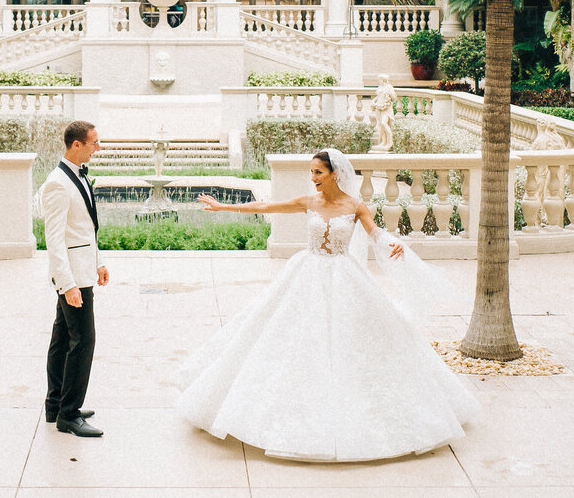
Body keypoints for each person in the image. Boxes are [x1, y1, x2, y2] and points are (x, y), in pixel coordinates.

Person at [177, 148, 478, 462]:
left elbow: (376, 234)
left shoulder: (355, 205)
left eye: (318, 172)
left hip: (344, 276)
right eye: (312, 172)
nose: (313, 178)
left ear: (335, 173)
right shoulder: (309, 202)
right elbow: (267, 205)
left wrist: (395, 245)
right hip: (307, 272)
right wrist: (224, 206)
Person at [40, 120, 109, 437]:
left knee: (62, 340)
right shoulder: (57, 183)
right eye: (94, 143)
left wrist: (99, 262)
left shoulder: (76, 176)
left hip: (82, 269)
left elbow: (84, 228)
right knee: (83, 342)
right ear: (76, 145)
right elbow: (54, 240)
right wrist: (67, 285)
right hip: (72, 278)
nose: (98, 148)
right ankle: (69, 414)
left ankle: (56, 405)